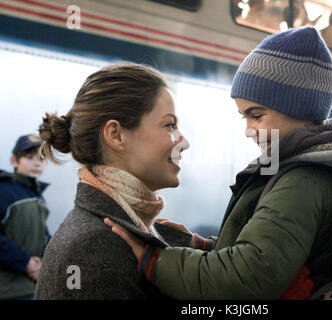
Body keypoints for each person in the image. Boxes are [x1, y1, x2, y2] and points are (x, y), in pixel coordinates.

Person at [104, 27, 332, 300]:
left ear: (298, 107)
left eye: (256, 115)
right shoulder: (300, 165)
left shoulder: (302, 179)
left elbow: (248, 276)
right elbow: (264, 247)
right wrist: (198, 245)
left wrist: (154, 261)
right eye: (244, 117)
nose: (248, 130)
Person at [34, 63, 191, 300]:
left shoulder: (110, 231)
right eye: (169, 125)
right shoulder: (93, 246)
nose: (184, 141)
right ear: (116, 135)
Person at [0, 134, 50, 300]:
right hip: (8, 290)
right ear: (14, 161)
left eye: (42, 158)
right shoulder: (4, 190)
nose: (37, 163)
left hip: (34, 289)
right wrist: (25, 263)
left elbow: (44, 237)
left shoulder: (38, 197)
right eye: (29, 157)